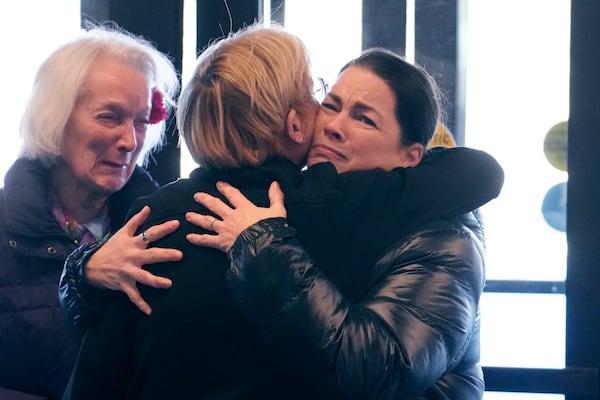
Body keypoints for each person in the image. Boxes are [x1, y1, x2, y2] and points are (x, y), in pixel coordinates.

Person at [61, 23, 503, 399]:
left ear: (411, 154)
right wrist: (84, 273)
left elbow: (97, 371)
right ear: (295, 125)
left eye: (364, 118)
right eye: (326, 101)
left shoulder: (152, 214)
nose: (332, 123)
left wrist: (83, 273)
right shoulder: (334, 212)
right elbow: (477, 173)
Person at [0, 25, 181, 399]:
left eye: (141, 121)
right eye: (109, 117)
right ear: (55, 117)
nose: (130, 141)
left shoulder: (166, 226)